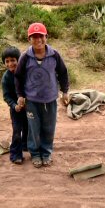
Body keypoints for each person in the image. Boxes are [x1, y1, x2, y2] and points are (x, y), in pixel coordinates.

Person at [15, 22, 69, 168]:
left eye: (41, 36)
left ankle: (46, 153)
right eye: (34, 37)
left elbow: (63, 73)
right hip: (31, 100)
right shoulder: (25, 57)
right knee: (34, 128)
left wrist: (65, 91)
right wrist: (20, 95)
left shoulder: (54, 55)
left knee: (49, 128)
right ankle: (35, 154)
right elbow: (18, 77)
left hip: (50, 99)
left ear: (46, 37)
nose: (38, 40)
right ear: (29, 39)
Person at [1, 46, 28, 164]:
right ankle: (15, 154)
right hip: (16, 109)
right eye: (7, 61)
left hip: (29, 107)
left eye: (13, 60)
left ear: (19, 60)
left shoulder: (26, 73)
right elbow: (6, 96)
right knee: (17, 131)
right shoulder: (6, 78)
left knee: (28, 128)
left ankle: (26, 145)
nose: (10, 63)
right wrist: (14, 105)